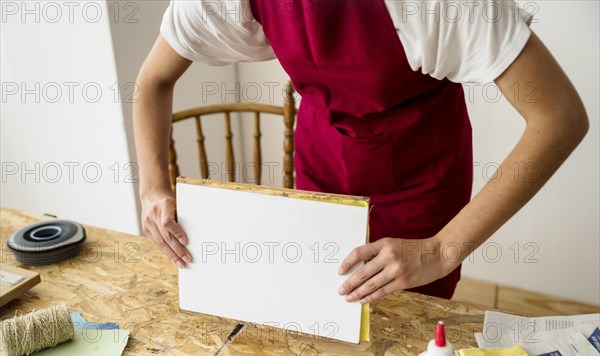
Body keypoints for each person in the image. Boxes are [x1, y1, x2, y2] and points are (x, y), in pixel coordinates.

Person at [133, 0, 588, 304]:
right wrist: (153, 188)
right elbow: (153, 81)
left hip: (421, 177)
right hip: (322, 161)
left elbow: (559, 117)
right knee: (326, 310)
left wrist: (440, 250)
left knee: (411, 332)